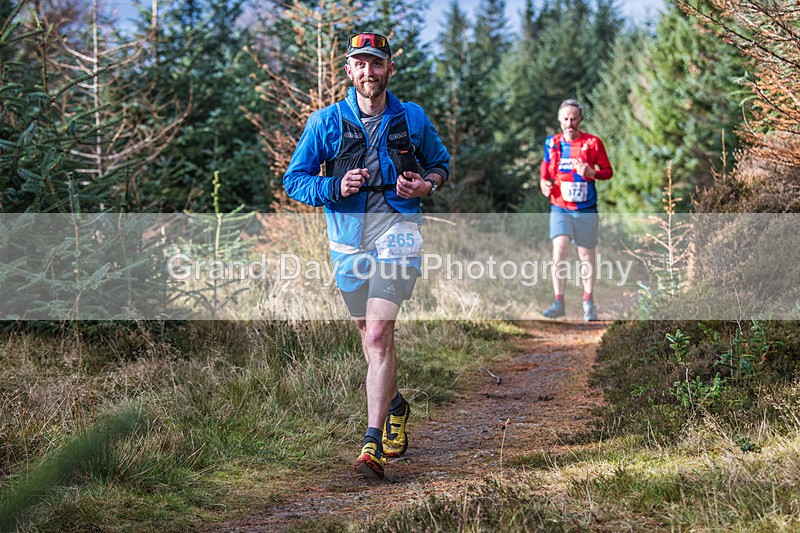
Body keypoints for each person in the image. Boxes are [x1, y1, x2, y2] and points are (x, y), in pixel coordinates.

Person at [283, 32, 449, 481]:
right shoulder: (326, 122)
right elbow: (293, 180)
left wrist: (425, 186)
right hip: (347, 243)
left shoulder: (411, 118)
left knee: (377, 334)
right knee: (368, 335)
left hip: (399, 235)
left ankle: (370, 443)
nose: (368, 71)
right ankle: (395, 406)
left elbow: (441, 164)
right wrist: (333, 187)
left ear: (389, 69)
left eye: (376, 63)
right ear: (349, 71)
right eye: (360, 63)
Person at [539, 99, 613, 321]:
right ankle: (558, 301)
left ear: (580, 120)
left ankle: (588, 302)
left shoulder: (592, 143)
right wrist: (543, 183)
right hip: (560, 206)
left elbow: (608, 171)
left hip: (586, 207)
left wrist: (592, 173)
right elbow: (544, 168)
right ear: (560, 120)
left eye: (573, 119)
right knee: (559, 248)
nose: (569, 123)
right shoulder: (552, 143)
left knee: (585, 253)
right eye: (565, 119)